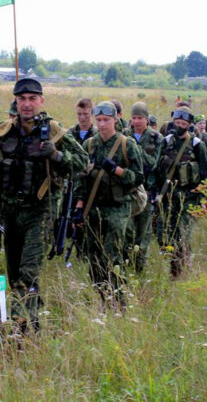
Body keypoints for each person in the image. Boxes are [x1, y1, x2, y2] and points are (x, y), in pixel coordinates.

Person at [0, 78, 88, 333]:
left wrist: (56, 154)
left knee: (28, 271)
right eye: (22, 99)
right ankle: (34, 322)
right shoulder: (4, 130)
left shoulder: (53, 130)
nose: (27, 104)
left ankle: (19, 329)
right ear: (16, 101)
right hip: (10, 212)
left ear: (41, 101)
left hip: (39, 212)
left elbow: (83, 162)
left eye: (32, 99)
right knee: (15, 273)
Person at [73, 102, 143, 308]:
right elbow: (81, 180)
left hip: (118, 209)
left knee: (113, 257)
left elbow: (138, 178)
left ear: (115, 120)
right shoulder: (89, 145)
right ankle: (103, 299)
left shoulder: (127, 144)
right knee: (94, 259)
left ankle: (119, 303)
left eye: (106, 120)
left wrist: (117, 170)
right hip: (94, 209)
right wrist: (79, 208)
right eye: (99, 120)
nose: (102, 124)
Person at [151, 106, 207, 277]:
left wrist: (204, 199)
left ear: (189, 124)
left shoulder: (197, 145)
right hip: (167, 196)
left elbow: (205, 174)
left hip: (189, 197)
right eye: (176, 122)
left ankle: (180, 269)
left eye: (183, 123)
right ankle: (173, 262)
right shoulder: (165, 142)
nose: (179, 126)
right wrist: (152, 192)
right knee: (162, 233)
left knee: (183, 233)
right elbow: (155, 169)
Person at [122, 101, 163, 272]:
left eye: (140, 118)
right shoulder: (124, 135)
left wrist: (137, 150)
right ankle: (124, 263)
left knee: (143, 231)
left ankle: (139, 267)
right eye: (134, 118)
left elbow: (155, 164)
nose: (137, 121)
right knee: (126, 229)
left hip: (147, 189)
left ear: (147, 119)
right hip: (127, 189)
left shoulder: (156, 138)